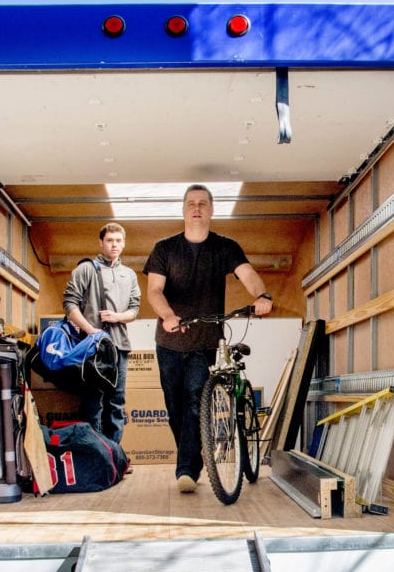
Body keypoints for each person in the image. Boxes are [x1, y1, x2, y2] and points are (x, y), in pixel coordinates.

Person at [143, 184, 273, 493]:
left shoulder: (225, 247)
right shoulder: (164, 248)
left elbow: (248, 275)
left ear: (212, 210)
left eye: (203, 203)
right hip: (169, 341)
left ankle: (186, 470)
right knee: (175, 407)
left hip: (206, 341)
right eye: (191, 203)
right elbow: (154, 291)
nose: (197, 208)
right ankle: (192, 457)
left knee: (194, 401)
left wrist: (262, 295)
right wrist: (168, 315)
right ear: (183, 210)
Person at [63, 222, 141, 444]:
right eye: (109, 240)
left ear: (123, 243)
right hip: (93, 347)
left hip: (120, 346)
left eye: (118, 240)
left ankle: (113, 453)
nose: (114, 244)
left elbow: (135, 309)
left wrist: (117, 317)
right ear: (101, 242)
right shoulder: (86, 269)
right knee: (93, 401)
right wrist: (89, 330)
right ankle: (95, 452)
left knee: (116, 402)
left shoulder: (129, 275)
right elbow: (69, 303)